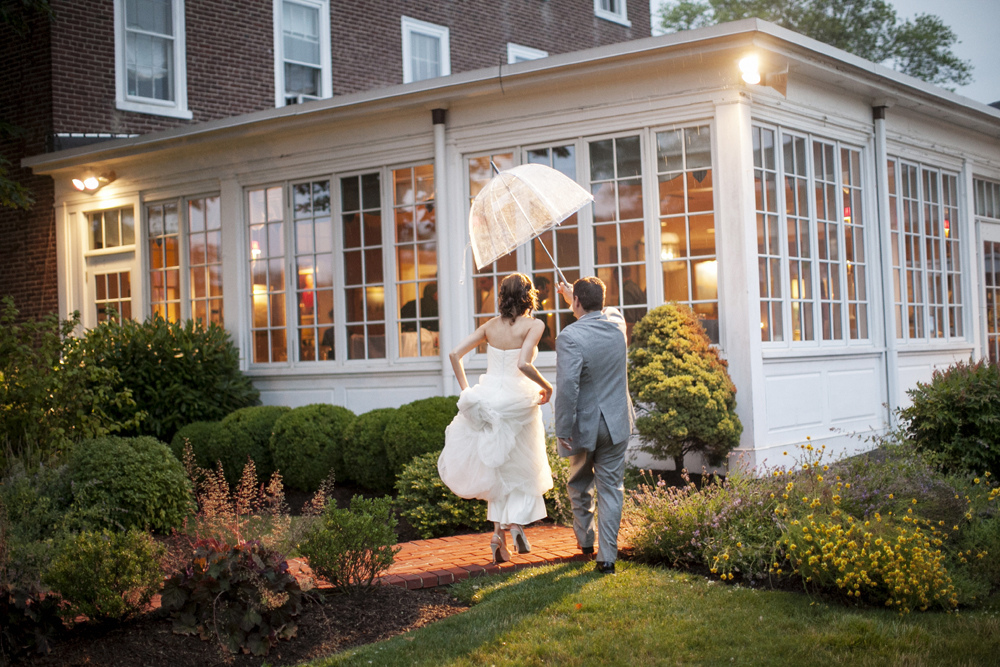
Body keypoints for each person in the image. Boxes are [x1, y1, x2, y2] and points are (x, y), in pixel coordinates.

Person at [438, 273, 554, 564]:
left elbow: (454, 354)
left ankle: (497, 538)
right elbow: (524, 364)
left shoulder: (490, 326)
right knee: (521, 468)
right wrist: (547, 386)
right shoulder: (535, 325)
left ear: (502, 296)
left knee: (497, 469)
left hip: (489, 398)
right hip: (517, 401)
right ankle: (515, 525)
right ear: (529, 295)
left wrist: (468, 393)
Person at [554, 276, 635, 574]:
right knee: (612, 488)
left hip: (585, 425)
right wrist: (574, 296)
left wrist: (562, 428)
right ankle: (608, 558)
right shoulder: (617, 324)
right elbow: (604, 308)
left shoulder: (569, 337)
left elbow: (567, 388)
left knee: (578, 482)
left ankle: (586, 542)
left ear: (577, 302)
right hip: (617, 422)